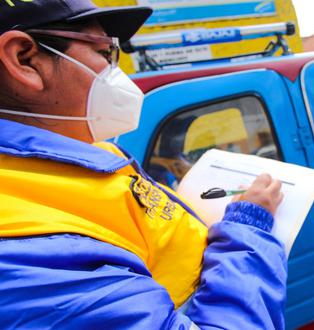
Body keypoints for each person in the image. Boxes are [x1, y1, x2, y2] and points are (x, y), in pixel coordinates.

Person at [0, 1, 287, 329]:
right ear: (25, 59)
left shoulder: (80, 150)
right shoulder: (24, 251)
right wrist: (249, 232)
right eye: (106, 52)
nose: (117, 73)